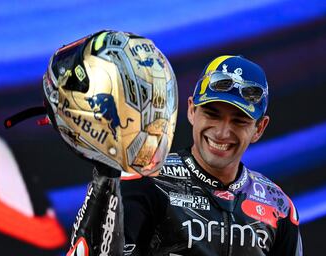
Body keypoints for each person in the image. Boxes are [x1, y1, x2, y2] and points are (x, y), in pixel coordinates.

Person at [119, 55, 303, 255]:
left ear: (259, 128)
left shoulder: (278, 206)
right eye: (212, 114)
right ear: (191, 110)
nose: (222, 133)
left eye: (239, 121)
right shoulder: (145, 182)